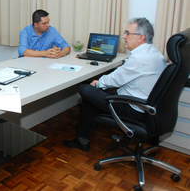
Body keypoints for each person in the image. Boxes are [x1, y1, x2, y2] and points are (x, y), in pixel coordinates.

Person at [62, 17, 167, 151]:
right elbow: (122, 75)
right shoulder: (155, 54)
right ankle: (82, 139)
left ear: (141, 37)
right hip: (147, 106)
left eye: (128, 33)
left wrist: (98, 83)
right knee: (91, 96)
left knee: (86, 89)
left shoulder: (139, 59)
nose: (124, 37)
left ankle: (82, 140)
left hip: (134, 108)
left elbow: (115, 80)